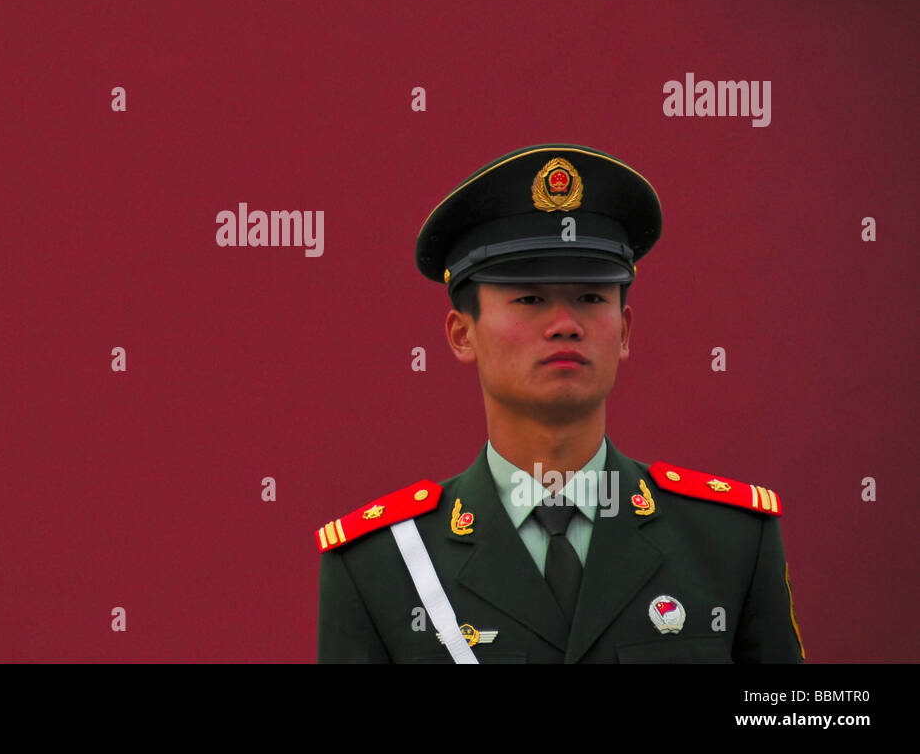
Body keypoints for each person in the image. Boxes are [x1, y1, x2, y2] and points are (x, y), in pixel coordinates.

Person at [315, 144, 805, 663]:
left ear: (624, 331)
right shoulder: (383, 565)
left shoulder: (728, 542)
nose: (566, 323)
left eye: (592, 297)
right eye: (530, 298)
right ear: (462, 334)